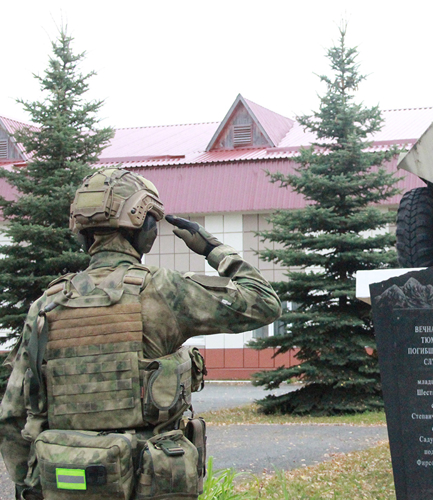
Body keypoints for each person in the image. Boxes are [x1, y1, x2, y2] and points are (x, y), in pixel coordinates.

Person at [0, 167, 282, 499]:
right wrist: (212, 248)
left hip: (65, 484)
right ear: (144, 229)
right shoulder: (161, 289)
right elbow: (263, 303)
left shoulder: (46, 305)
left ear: (82, 233)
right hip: (152, 484)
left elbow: (12, 415)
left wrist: (29, 485)